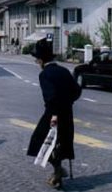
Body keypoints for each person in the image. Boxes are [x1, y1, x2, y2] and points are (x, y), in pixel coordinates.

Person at [27, 38, 81, 188]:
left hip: (53, 115)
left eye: (37, 59)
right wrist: (67, 102)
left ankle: (58, 171)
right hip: (67, 114)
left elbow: (51, 97)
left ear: (41, 60)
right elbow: (76, 91)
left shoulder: (45, 74)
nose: (37, 62)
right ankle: (58, 171)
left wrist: (55, 114)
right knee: (60, 145)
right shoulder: (64, 71)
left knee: (39, 142)